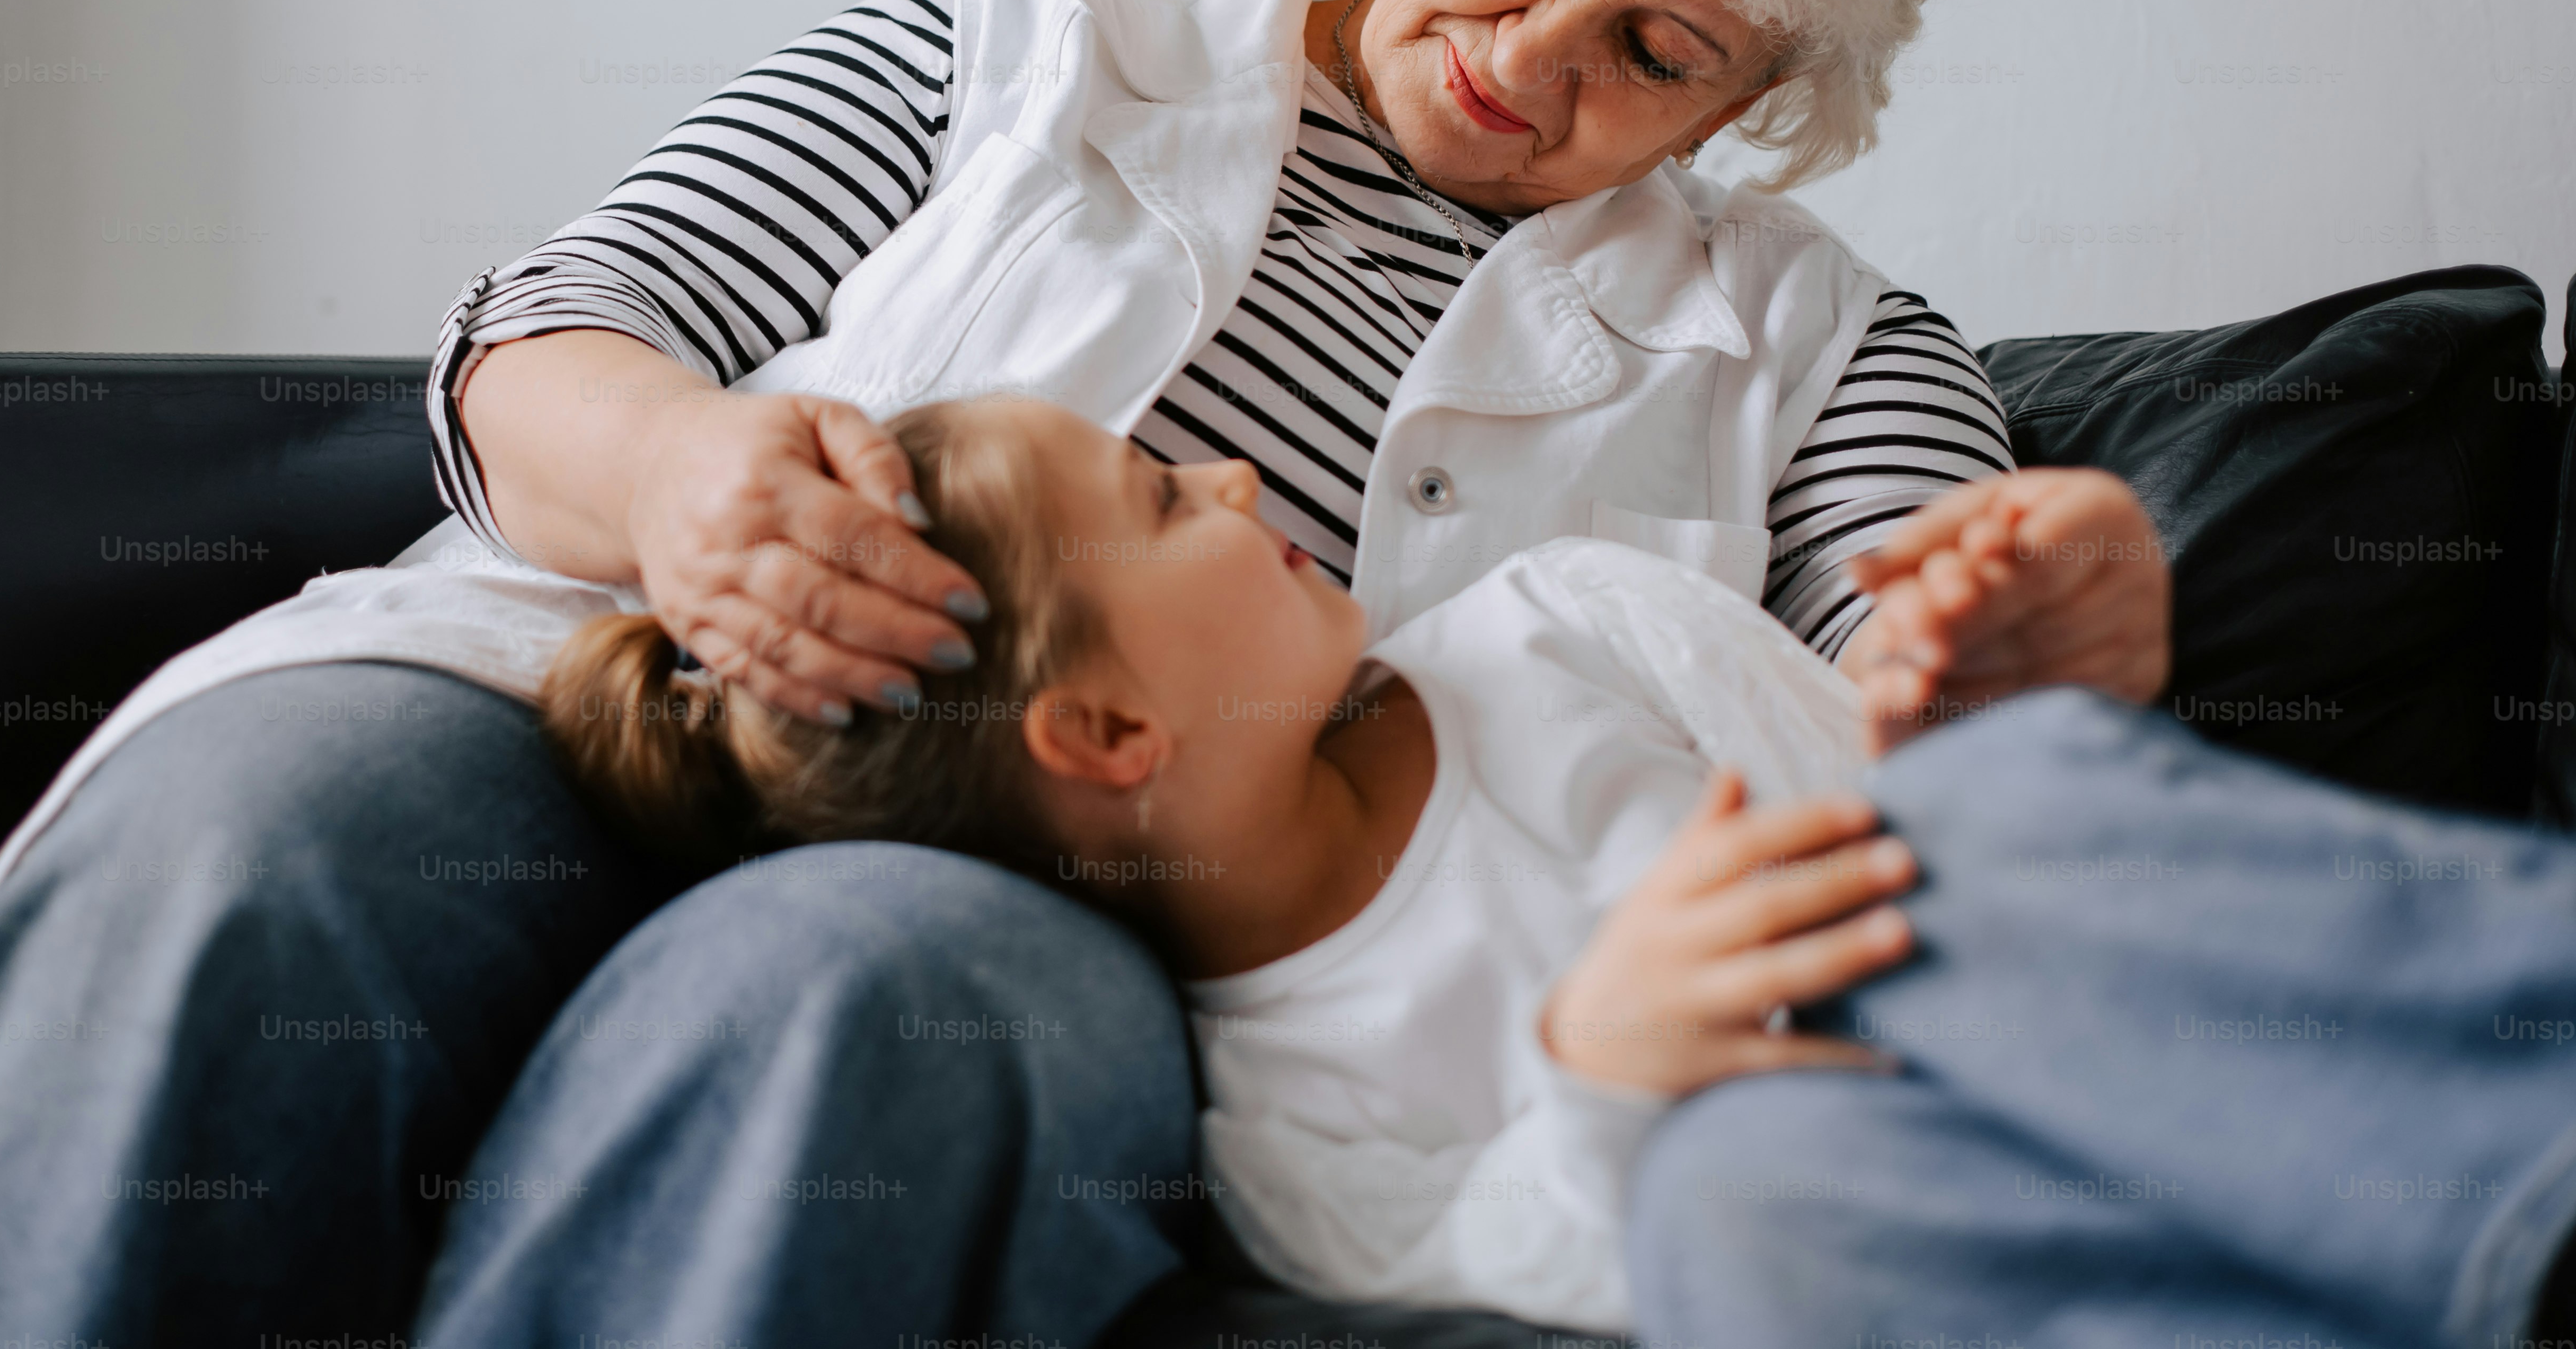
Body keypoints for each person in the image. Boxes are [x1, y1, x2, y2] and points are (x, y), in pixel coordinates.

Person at [0, 0, 2152, 1345]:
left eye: (1654, 48)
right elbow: (556, 331)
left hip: (1089, 897)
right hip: (565, 669)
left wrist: (2027, 650)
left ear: (1752, 107)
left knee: (862, 990)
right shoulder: (1030, 34)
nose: (1536, 61)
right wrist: (692, 470)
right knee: (255, 854)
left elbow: (1919, 696)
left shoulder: (1821, 337)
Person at [536, 392, 2576, 1344]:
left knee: (1976, 827)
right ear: (1109, 739)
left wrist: (2012, 704)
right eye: (1166, 497)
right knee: (1744, 1204)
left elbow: (1890, 813)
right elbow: (1528, 1272)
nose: (1240, 475)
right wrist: (1604, 1076)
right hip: (1903, 1201)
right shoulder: (1266, 1110)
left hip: (2103, 1049)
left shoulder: (1563, 622)